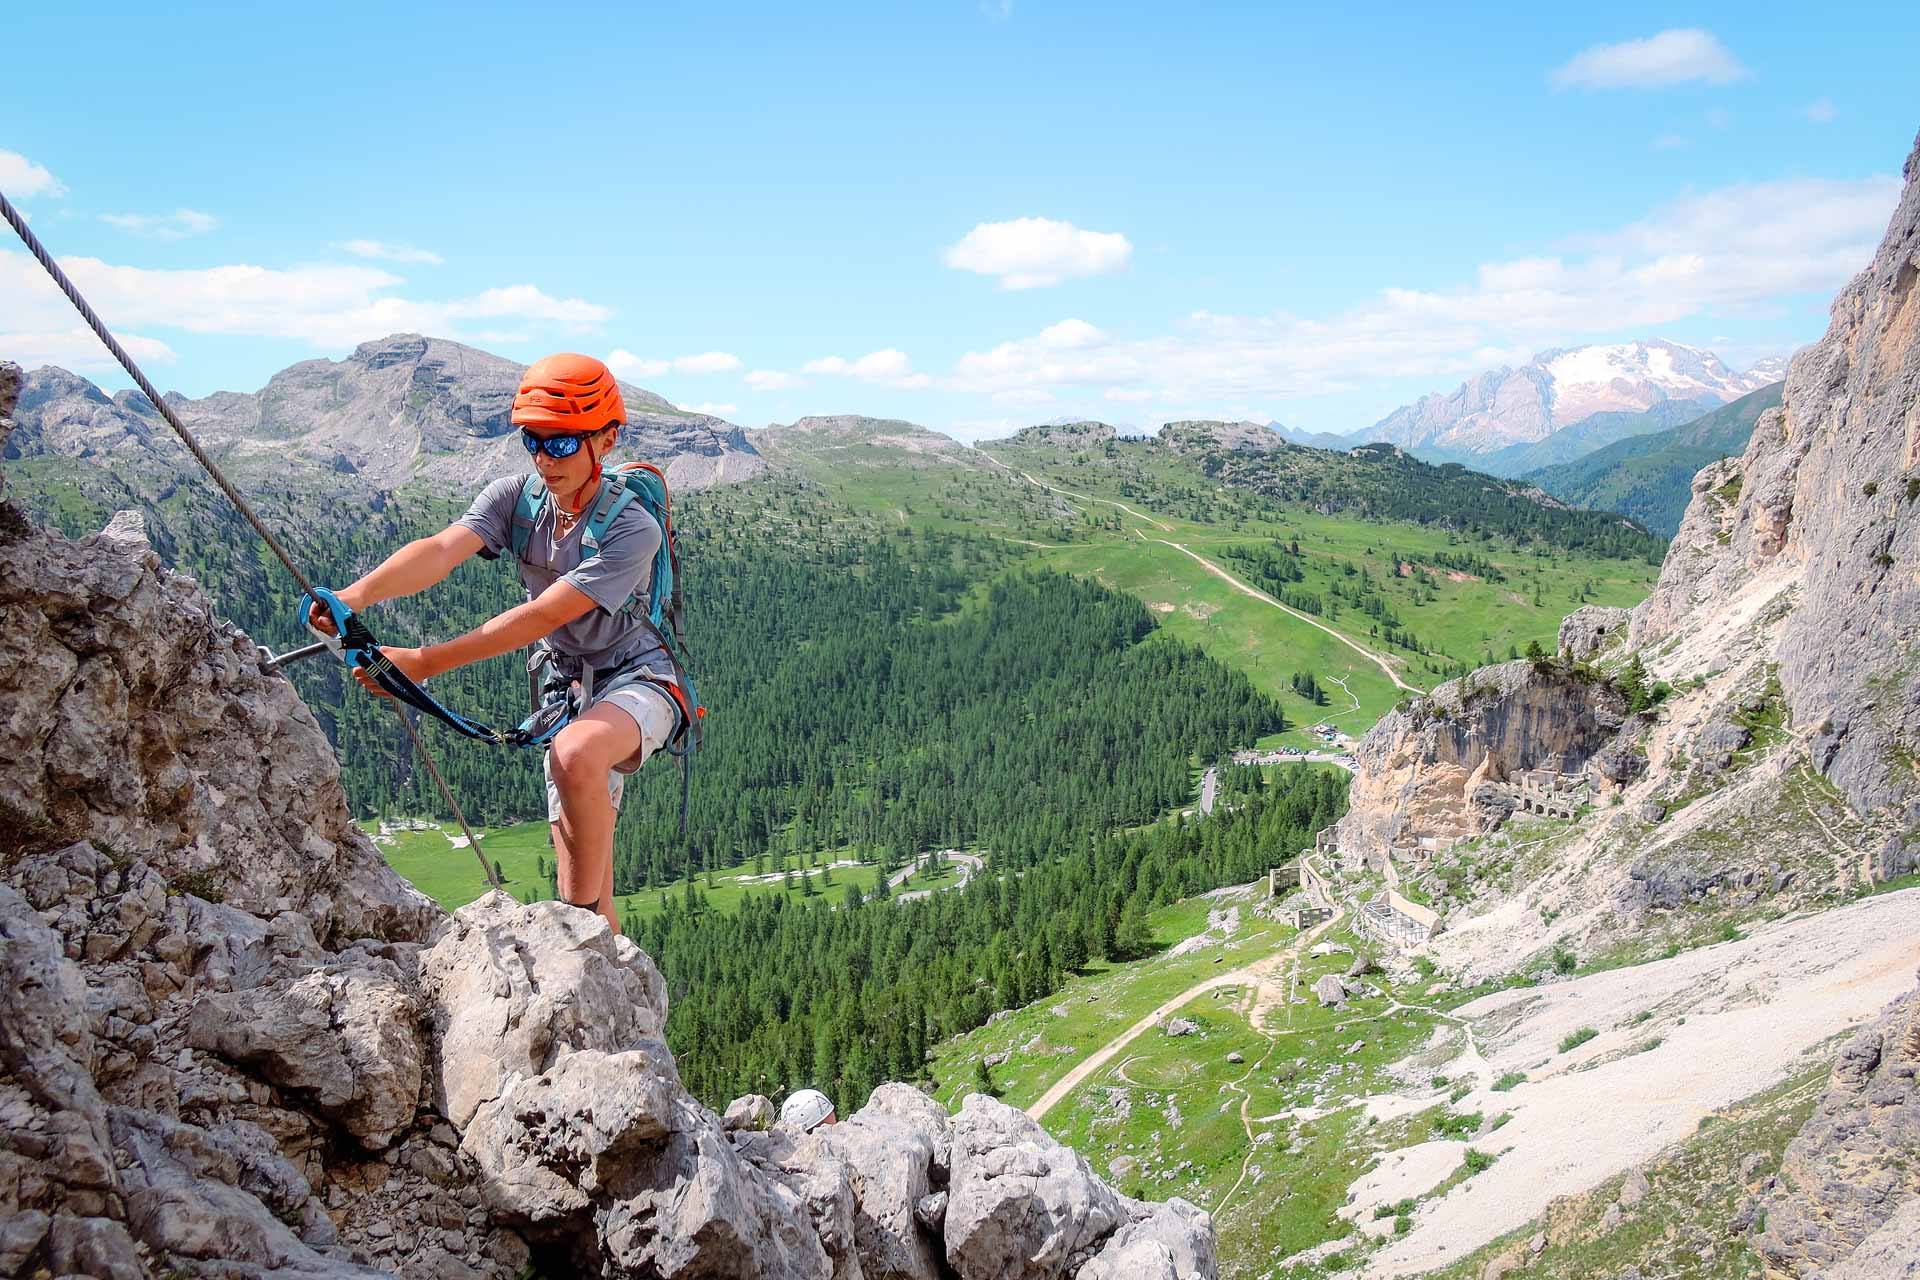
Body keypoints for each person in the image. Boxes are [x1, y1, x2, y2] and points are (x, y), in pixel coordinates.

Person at [307, 353, 681, 935]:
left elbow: (540, 616)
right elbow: (439, 550)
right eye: (534, 440)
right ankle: (600, 972)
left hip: (639, 679)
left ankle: (573, 935)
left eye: (561, 444)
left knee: (575, 755)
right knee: (586, 874)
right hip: (568, 689)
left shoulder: (634, 529)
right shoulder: (516, 498)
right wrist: (353, 598)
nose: (543, 458)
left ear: (604, 440)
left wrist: (423, 664)